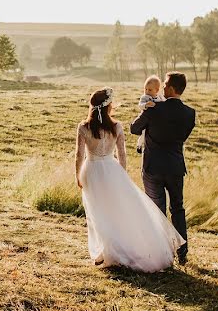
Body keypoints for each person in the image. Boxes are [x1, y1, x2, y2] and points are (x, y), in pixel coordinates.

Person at [75, 87, 185, 272]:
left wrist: (77, 174)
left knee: (96, 211)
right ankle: (111, 248)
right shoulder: (116, 126)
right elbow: (122, 154)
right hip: (111, 169)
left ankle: (105, 250)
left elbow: (79, 155)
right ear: (108, 106)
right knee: (114, 210)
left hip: (92, 170)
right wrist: (122, 175)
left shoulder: (84, 127)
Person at [129, 72, 195, 265]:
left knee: (157, 211)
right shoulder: (190, 113)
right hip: (175, 167)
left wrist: (146, 110)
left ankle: (162, 252)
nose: (162, 88)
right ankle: (182, 252)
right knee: (178, 208)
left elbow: (134, 128)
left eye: (165, 85)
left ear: (172, 88)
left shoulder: (154, 108)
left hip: (152, 167)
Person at [136, 75, 165, 154]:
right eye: (145, 89)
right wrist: (145, 105)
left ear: (157, 90)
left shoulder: (160, 97)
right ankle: (139, 145)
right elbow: (140, 105)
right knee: (144, 133)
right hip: (146, 119)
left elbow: (165, 102)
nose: (147, 91)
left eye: (150, 90)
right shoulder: (145, 98)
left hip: (156, 119)